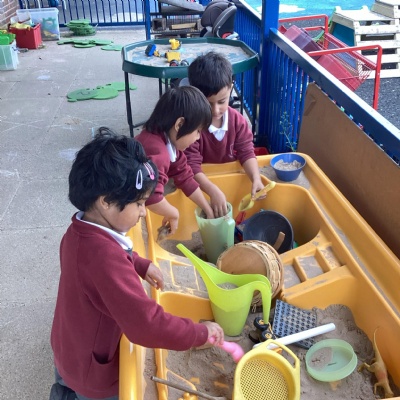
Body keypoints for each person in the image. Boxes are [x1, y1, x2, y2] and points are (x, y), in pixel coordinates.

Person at [49, 128, 224, 400]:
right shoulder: (104, 260)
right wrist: (200, 333)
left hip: (67, 347)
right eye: (139, 204)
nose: (143, 212)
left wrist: (139, 264)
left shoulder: (78, 231)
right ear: (106, 202)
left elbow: (107, 256)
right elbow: (147, 324)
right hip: (93, 375)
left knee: (67, 381)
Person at [185, 51, 266, 218]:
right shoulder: (192, 127)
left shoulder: (238, 121)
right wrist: (212, 190)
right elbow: (191, 165)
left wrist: (255, 178)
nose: (215, 110)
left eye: (222, 101)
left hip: (229, 179)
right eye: (208, 104)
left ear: (231, 87)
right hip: (203, 183)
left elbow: (246, 152)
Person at [135, 86, 215, 236]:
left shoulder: (167, 141)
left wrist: (207, 209)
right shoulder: (158, 152)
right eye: (198, 131)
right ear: (179, 124)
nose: (198, 137)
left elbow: (185, 176)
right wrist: (173, 213)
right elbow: (150, 195)